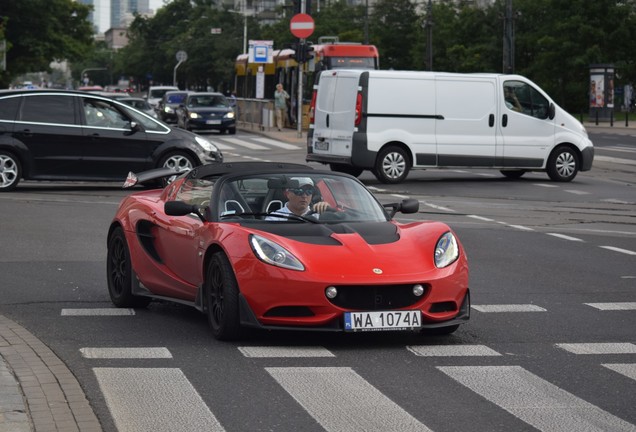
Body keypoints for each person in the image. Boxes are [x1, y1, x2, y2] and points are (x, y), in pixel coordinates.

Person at [266, 177, 331, 220]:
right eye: (299, 191)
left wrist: (327, 210)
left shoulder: (318, 216)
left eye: (309, 191)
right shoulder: (274, 218)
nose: (304, 196)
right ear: (287, 194)